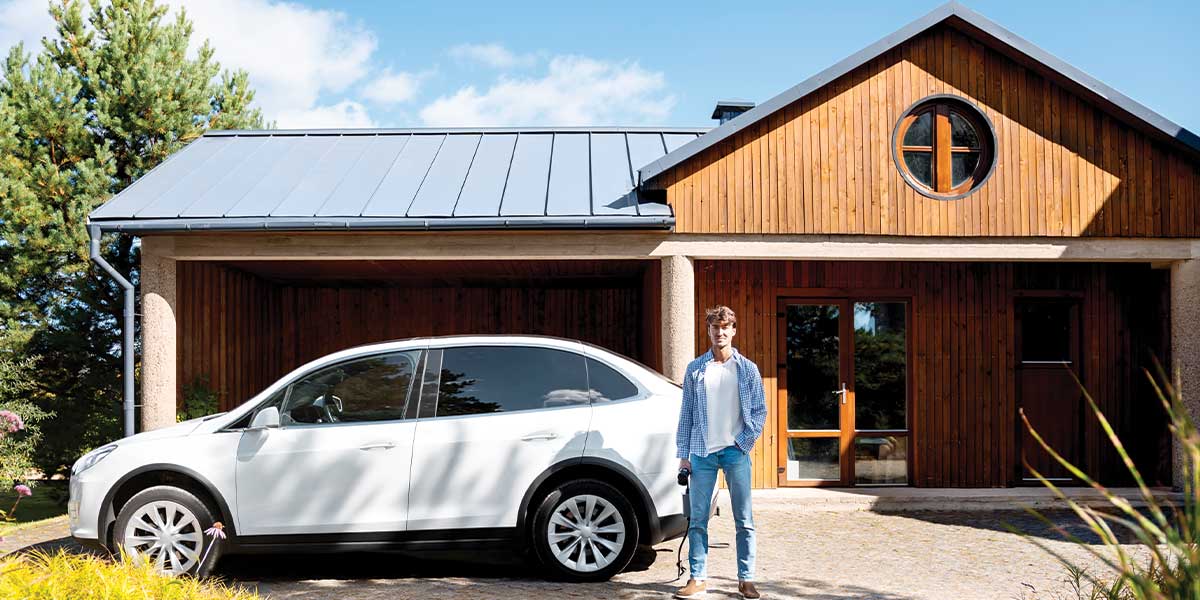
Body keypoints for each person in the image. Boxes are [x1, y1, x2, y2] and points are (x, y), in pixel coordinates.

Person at [674, 306, 766, 599]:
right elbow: (686, 414)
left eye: (726, 327)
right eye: (715, 328)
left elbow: (760, 411)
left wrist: (743, 443)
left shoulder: (747, 369)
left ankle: (746, 579)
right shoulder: (695, 369)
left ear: (733, 330)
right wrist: (683, 454)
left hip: (735, 452)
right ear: (709, 331)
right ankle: (697, 578)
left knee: (744, 519)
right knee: (698, 519)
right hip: (702, 453)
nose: (720, 332)